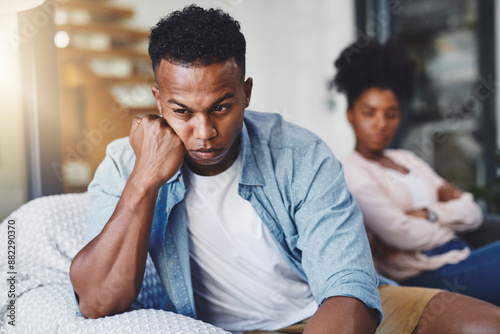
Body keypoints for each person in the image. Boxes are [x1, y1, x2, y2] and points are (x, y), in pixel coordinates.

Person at [69, 5, 500, 334]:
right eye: (182, 111)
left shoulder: (299, 153)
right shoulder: (125, 162)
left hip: (332, 314)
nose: (204, 132)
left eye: (222, 106)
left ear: (247, 92)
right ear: (158, 100)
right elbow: (96, 300)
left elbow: (349, 287)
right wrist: (145, 180)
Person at [334, 37, 500, 307]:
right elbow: (402, 234)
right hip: (428, 275)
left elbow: (472, 212)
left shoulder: (406, 158)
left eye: (391, 114)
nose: (381, 124)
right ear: (350, 115)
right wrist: (446, 210)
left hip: (461, 255)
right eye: (369, 113)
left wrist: (428, 213)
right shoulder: (351, 170)